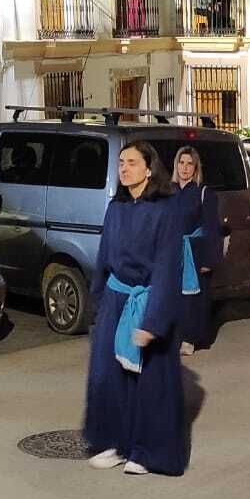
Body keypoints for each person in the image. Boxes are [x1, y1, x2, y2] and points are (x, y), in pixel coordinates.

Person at [85, 141, 188, 476]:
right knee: (107, 376)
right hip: (115, 299)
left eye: (131, 162)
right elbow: (104, 258)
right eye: (120, 163)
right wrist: (98, 303)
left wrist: (153, 321)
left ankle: (147, 452)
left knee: (150, 383)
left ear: (149, 168)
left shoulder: (166, 210)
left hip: (147, 300)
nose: (124, 168)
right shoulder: (115, 208)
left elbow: (167, 267)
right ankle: (114, 442)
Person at [172, 147, 222, 356]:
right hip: (172, 253)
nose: (184, 168)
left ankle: (190, 338)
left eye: (189, 163)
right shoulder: (168, 192)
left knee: (193, 300)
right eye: (181, 163)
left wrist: (209, 259)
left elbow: (212, 227)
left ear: (195, 167)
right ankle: (173, 336)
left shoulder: (203, 193)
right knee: (172, 297)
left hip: (195, 252)